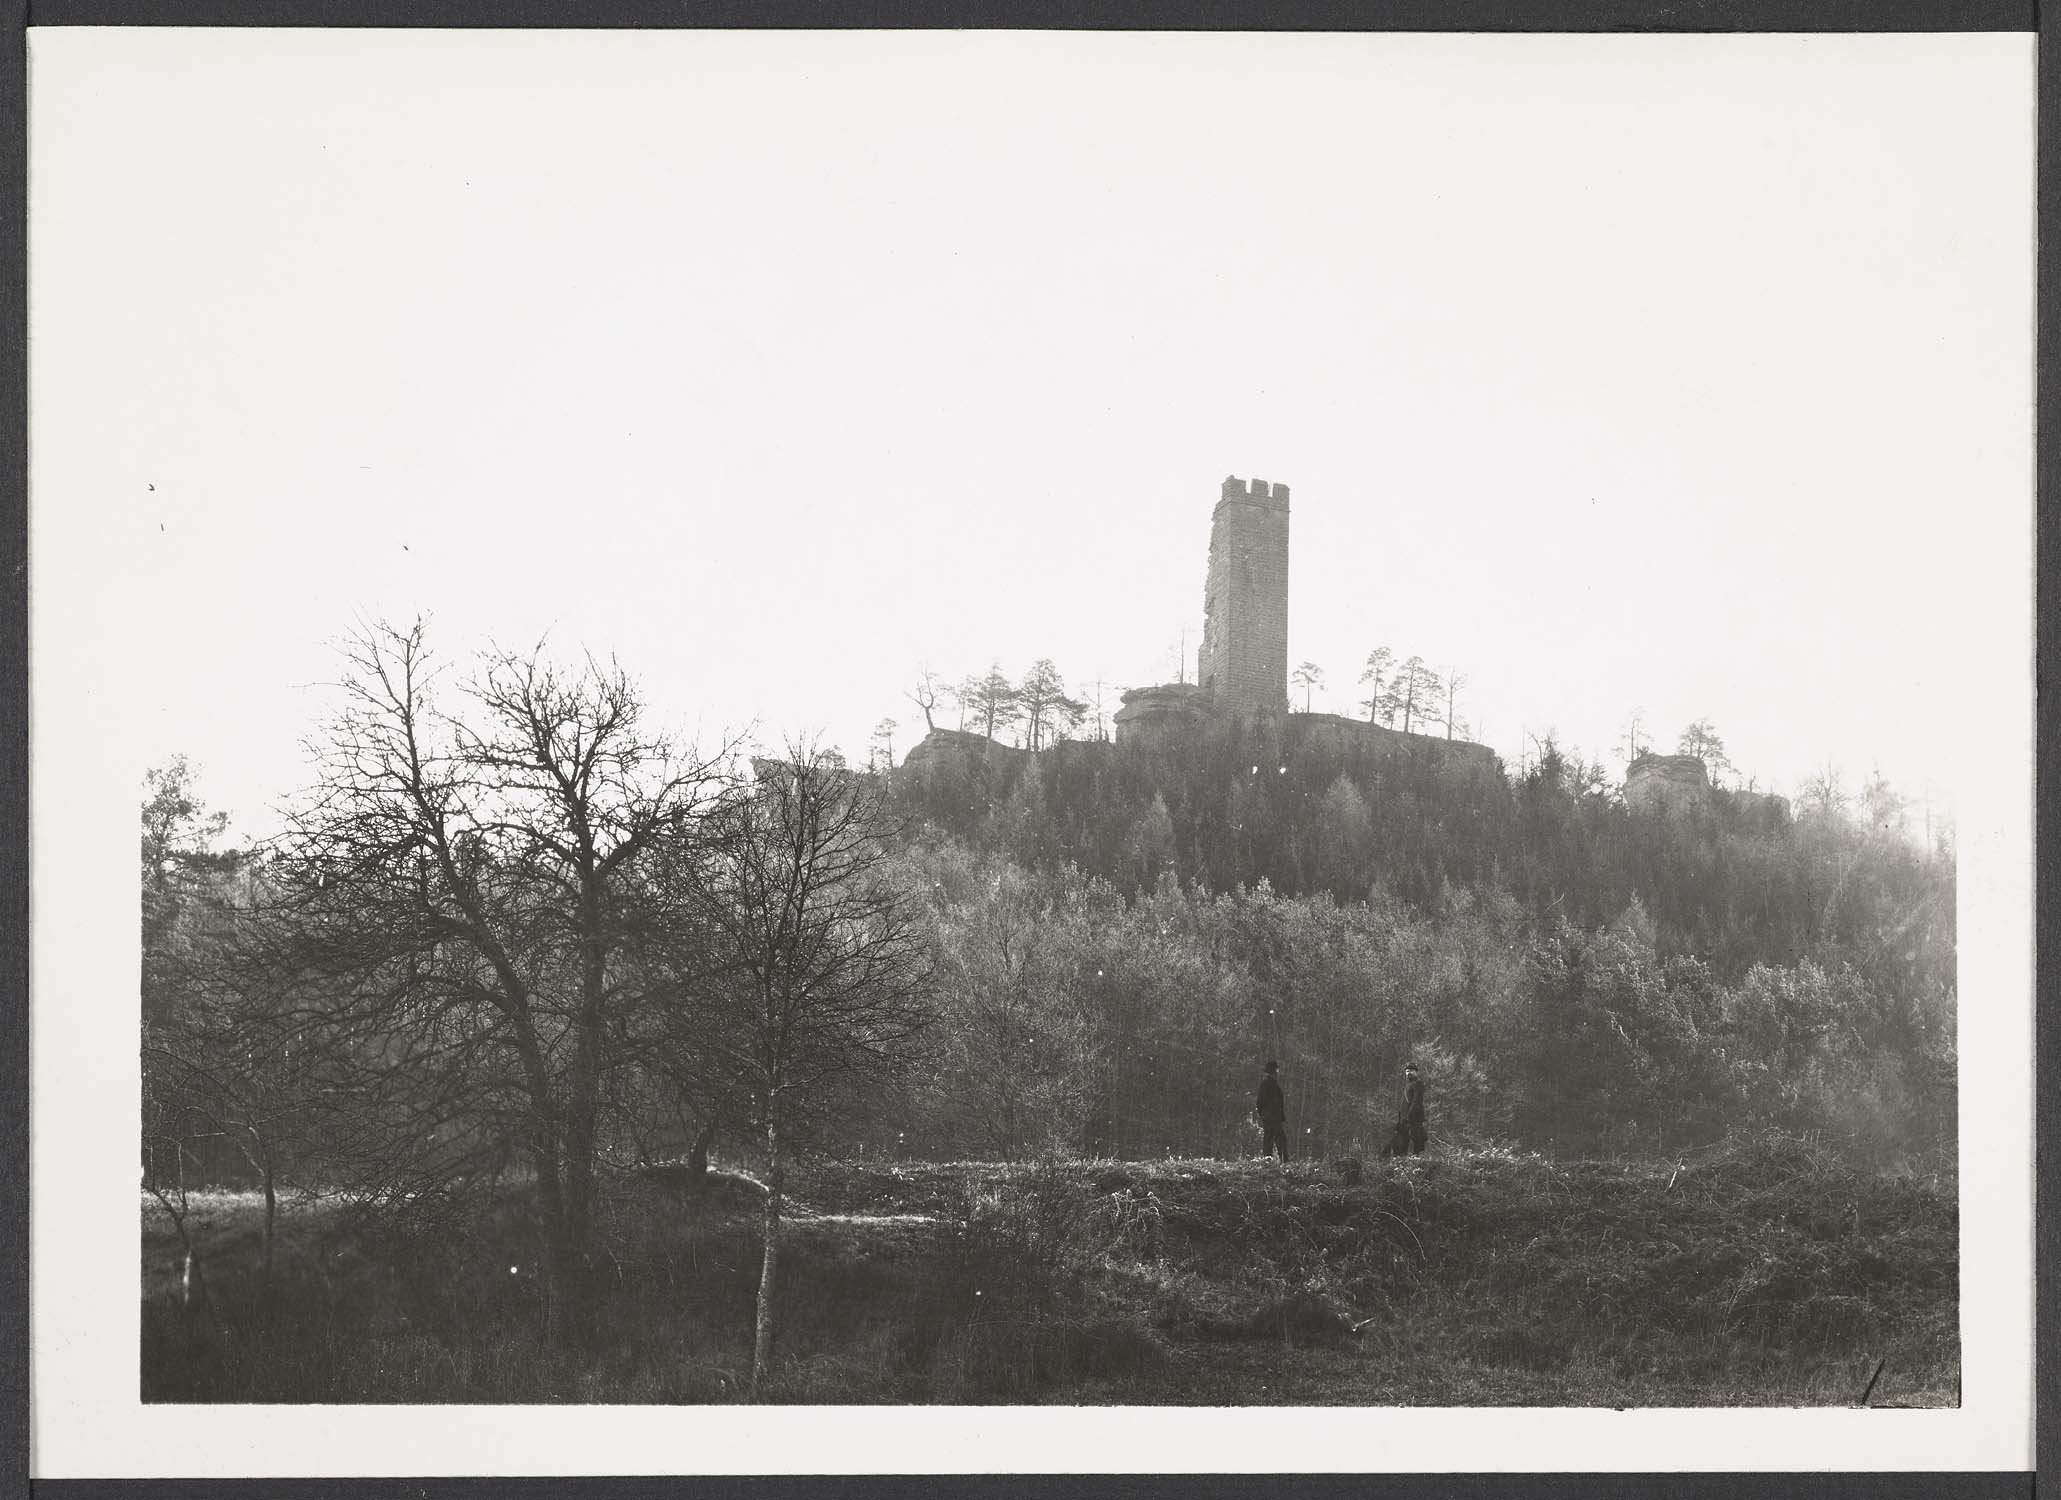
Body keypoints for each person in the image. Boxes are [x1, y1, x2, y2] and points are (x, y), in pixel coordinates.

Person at [1254, 1060, 1288, 1162]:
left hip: (1271, 1117)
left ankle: (1269, 1161)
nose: (1278, 1072)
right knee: (1278, 1139)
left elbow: (1260, 1103)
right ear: (1274, 1071)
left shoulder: (1268, 1083)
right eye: (1276, 1070)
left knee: (1272, 1139)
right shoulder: (1268, 1084)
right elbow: (1261, 1102)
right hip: (1272, 1117)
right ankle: (1282, 1161)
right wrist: (1267, 1114)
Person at [1402, 1061, 1427, 1155]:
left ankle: (1418, 1161)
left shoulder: (1418, 1083)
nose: (1409, 1073)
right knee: (1404, 1140)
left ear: (1416, 1072)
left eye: (1411, 1070)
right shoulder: (1408, 1084)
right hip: (1407, 1118)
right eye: (1407, 1071)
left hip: (1415, 1118)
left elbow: (1416, 1102)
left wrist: (1409, 1116)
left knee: (1418, 1141)